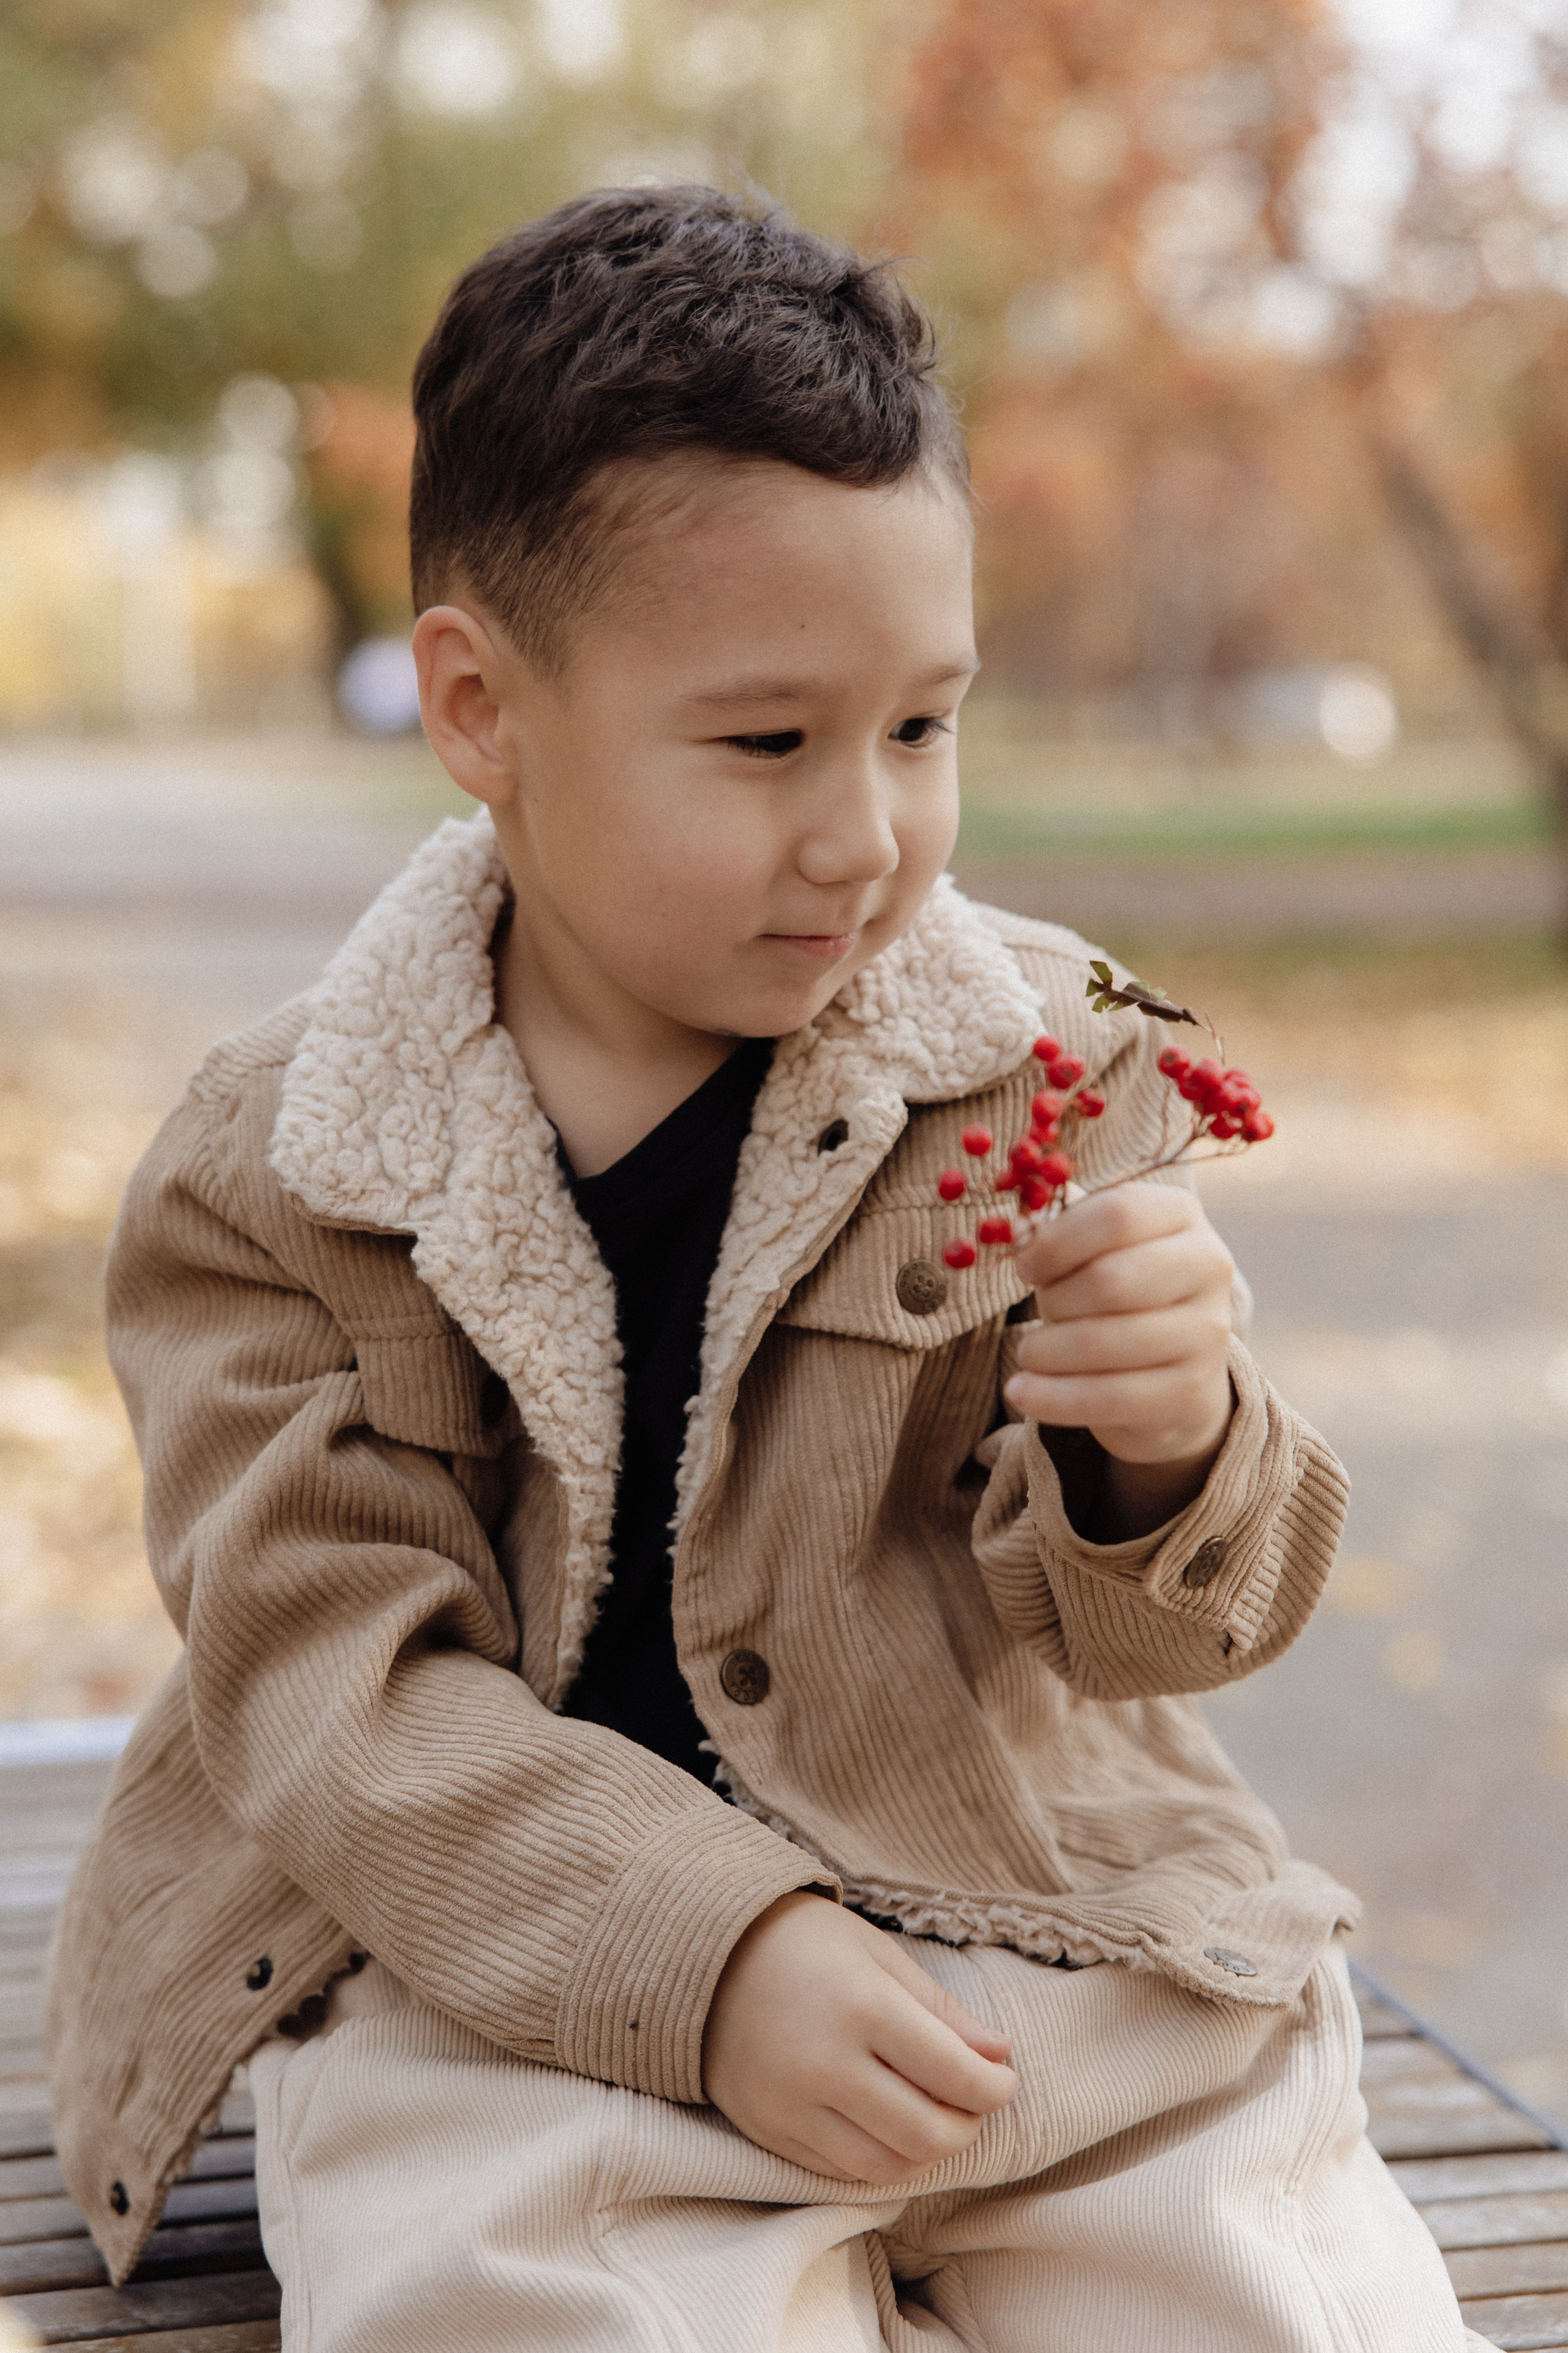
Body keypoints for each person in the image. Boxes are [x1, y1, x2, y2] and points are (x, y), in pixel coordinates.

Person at [48, 185, 1485, 2352]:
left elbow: (1162, 1635)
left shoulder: (1034, 1069)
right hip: (503, 1962)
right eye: (766, 742)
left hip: (1022, 1908)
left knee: (1271, 2281)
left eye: (923, 727)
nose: (868, 837)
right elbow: (330, 1695)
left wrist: (1170, 1453)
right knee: (525, 2291)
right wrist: (708, 1954)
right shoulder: (284, 1180)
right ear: (479, 708)